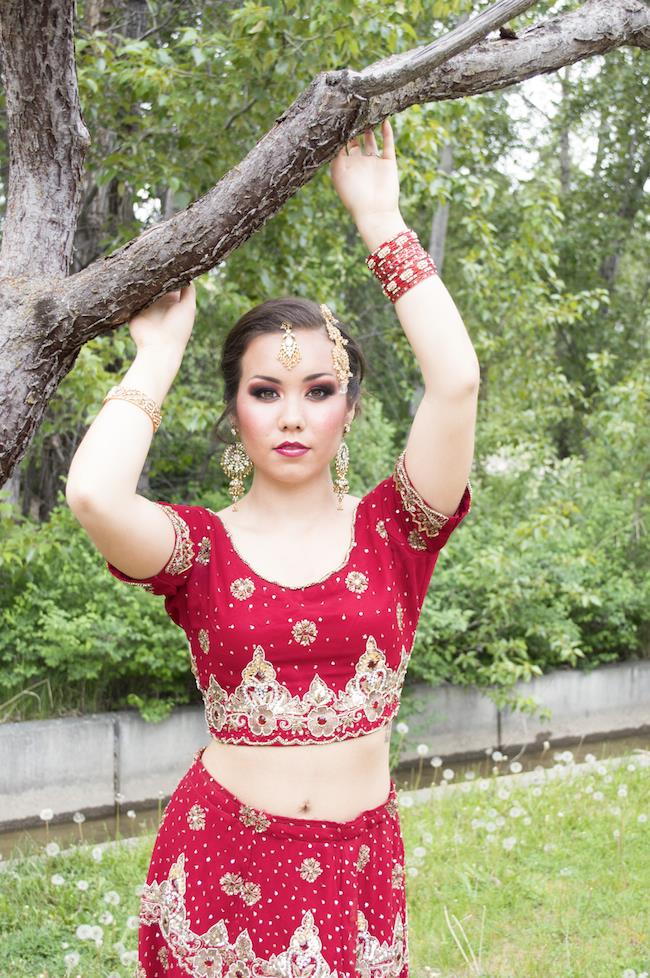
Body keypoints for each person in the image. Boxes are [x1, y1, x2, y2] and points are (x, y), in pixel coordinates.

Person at [66, 118, 479, 978]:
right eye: (266, 391)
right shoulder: (197, 550)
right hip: (220, 874)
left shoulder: (396, 528)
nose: (292, 415)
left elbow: (456, 380)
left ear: (351, 409)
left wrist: (378, 216)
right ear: (236, 411)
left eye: (318, 390)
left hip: (358, 879)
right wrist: (161, 348)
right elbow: (97, 495)